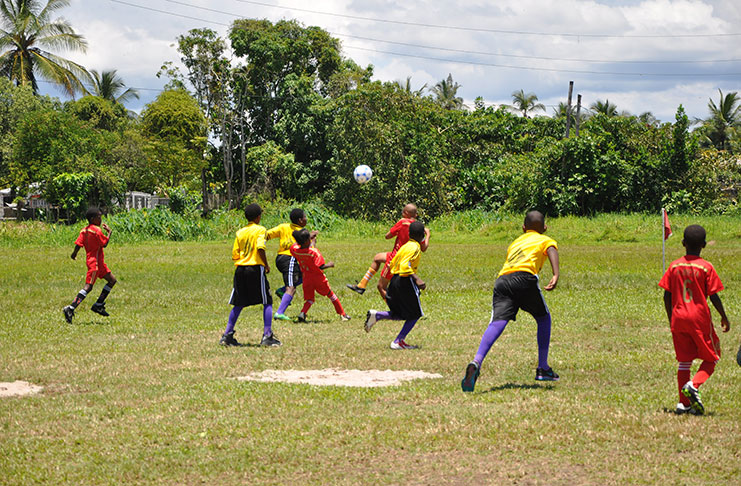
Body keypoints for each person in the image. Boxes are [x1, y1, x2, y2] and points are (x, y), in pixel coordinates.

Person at [461, 210, 560, 392]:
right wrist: (555, 274)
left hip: (502, 280)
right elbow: (551, 250)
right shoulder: (545, 240)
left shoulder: (515, 242)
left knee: (497, 322)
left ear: (523, 228)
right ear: (545, 228)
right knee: (543, 318)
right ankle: (543, 368)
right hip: (524, 278)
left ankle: (477, 361)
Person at [658, 224, 730, 415]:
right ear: (704, 245)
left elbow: (666, 295)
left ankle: (684, 404)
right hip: (698, 319)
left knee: (684, 361)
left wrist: (671, 317)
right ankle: (694, 384)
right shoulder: (705, 267)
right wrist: (723, 316)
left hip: (678, 318)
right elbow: (713, 295)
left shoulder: (674, 266)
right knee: (713, 357)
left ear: (683, 243)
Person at [220, 203, 281, 347]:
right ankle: (267, 335)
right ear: (259, 216)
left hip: (240, 269)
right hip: (254, 268)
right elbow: (260, 248)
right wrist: (265, 264)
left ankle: (227, 335)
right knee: (267, 301)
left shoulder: (240, 232)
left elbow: (235, 254)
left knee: (239, 302)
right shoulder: (260, 230)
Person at [363, 221, 427, 350]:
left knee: (402, 313)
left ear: (409, 234)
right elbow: (405, 265)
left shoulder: (405, 246)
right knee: (416, 314)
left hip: (395, 280)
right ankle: (398, 341)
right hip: (405, 279)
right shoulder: (415, 248)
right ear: (421, 236)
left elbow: (393, 263)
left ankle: (378, 315)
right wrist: (417, 279)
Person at [347, 203, 430, 299]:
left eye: (403, 211)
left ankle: (393, 311)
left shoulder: (402, 222)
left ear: (406, 213)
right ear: (415, 215)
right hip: (407, 259)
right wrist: (427, 235)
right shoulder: (417, 227)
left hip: (395, 257)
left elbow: (387, 236)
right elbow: (424, 248)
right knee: (377, 257)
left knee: (381, 287)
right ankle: (361, 285)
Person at [63, 207, 117, 323]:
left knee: (112, 280)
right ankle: (70, 308)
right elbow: (105, 244)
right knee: (88, 287)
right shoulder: (97, 231)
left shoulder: (84, 231)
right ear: (92, 219)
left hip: (98, 263)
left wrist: (74, 254)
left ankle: (98, 304)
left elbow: (78, 244)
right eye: (99, 217)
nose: (101, 219)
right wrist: (109, 233)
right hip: (95, 264)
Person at [290, 229, 350, 322]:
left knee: (310, 299)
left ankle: (303, 313)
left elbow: (304, 246)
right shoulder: (315, 252)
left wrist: (310, 239)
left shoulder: (295, 250)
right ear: (307, 240)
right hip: (318, 278)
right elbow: (321, 266)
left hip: (306, 278)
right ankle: (343, 314)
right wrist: (330, 264)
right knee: (331, 295)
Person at [267, 208, 317, 321]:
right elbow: (310, 250)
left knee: (304, 276)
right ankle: (279, 313)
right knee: (291, 287)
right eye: (305, 217)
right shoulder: (303, 232)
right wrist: (312, 240)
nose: (306, 219)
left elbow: (267, 235)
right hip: (290, 259)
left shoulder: (283, 227)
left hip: (280, 259)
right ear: (300, 220)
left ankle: (281, 291)